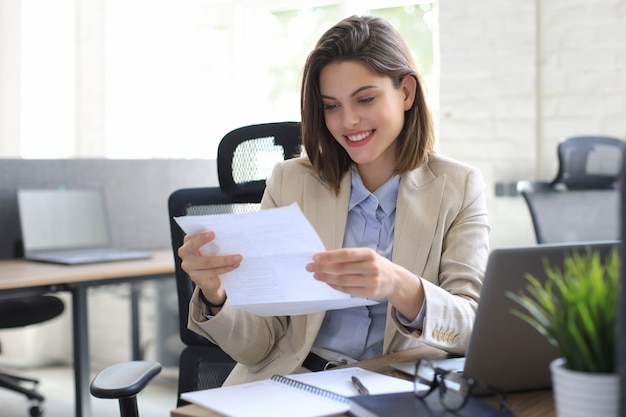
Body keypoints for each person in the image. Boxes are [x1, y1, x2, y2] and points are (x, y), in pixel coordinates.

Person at [178, 15, 490, 386]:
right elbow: (258, 347)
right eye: (331, 106)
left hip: (396, 385)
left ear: (406, 92)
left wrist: (397, 284)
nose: (349, 121)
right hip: (292, 380)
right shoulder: (291, 182)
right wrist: (216, 295)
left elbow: (472, 329)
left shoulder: (458, 187)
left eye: (366, 99)